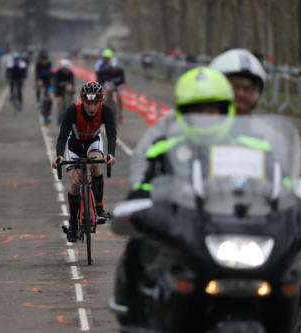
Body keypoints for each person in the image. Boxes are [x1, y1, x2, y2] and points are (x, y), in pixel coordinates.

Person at [115, 67, 272, 325]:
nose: (206, 117)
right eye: (197, 110)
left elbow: (282, 181)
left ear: (226, 110)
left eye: (213, 109)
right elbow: (143, 179)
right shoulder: (164, 147)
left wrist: (299, 197)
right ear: (183, 113)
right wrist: (141, 195)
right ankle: (132, 316)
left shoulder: (254, 144)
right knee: (138, 246)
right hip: (183, 231)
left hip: (238, 230)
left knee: (291, 267)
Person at [129, 48, 267, 187]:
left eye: (249, 89)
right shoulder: (174, 121)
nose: (241, 94)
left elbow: (280, 172)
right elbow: (143, 157)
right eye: (233, 86)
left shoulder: (264, 133)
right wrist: (141, 191)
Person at [51, 82, 117, 242]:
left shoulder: (106, 111)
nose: (92, 108)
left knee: (95, 164)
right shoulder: (72, 111)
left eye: (96, 103)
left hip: (93, 142)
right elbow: (62, 136)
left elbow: (111, 133)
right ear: (83, 101)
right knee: (75, 183)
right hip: (74, 145)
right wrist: (59, 156)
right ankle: (73, 224)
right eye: (88, 103)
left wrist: (110, 155)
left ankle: (99, 207)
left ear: (100, 102)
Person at [103, 57, 126, 124]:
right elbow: (105, 83)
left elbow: (123, 83)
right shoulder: (107, 70)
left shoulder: (121, 71)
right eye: (112, 69)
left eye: (115, 69)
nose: (114, 70)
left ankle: (120, 115)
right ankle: (108, 105)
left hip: (119, 85)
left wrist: (120, 87)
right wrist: (108, 87)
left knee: (120, 97)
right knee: (108, 91)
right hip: (110, 84)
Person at [53, 59, 74, 125]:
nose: (66, 71)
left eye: (67, 69)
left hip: (67, 90)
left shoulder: (70, 73)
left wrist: (70, 87)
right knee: (59, 102)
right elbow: (55, 84)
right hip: (59, 90)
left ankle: (70, 111)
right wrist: (63, 85)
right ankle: (59, 116)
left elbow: (72, 83)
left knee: (71, 98)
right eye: (65, 69)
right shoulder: (57, 73)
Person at [35, 51, 55, 116]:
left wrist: (53, 82)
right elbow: (37, 74)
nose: (44, 62)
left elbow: (53, 73)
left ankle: (49, 114)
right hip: (40, 79)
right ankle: (38, 101)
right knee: (38, 88)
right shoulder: (38, 65)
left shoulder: (50, 64)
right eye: (43, 60)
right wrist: (39, 80)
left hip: (48, 81)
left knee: (50, 98)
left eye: (46, 60)